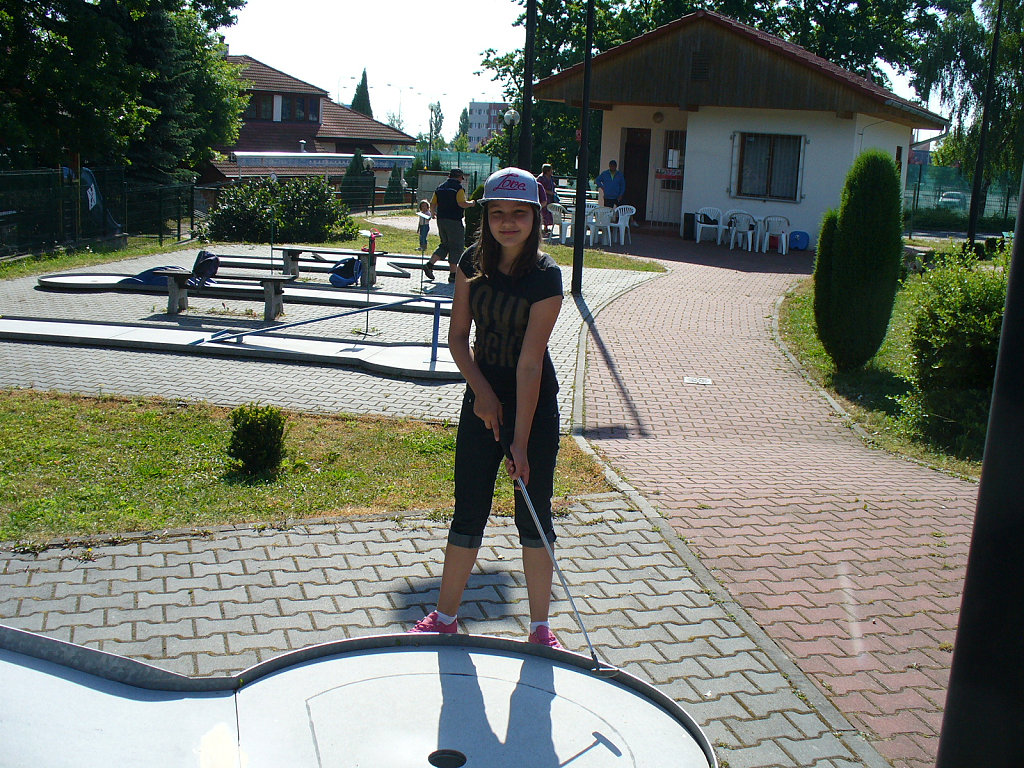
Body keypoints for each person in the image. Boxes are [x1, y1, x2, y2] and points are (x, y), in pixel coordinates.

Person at [410, 167, 565, 649]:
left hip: (532, 406)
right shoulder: (471, 261)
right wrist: (481, 394)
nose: (508, 222)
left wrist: (519, 440)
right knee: (469, 509)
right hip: (482, 398)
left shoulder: (546, 276)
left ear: (535, 217)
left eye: (519, 213)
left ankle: (540, 630)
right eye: (497, 213)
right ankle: (444, 617)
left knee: (533, 515)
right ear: (485, 217)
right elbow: (458, 338)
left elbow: (530, 364)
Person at [426, 168, 477, 283]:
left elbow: (433, 203)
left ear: (449, 176)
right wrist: (471, 203)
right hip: (454, 220)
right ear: (459, 177)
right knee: (456, 246)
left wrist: (433, 213)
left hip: (441, 219)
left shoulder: (440, 187)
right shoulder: (458, 188)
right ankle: (453, 274)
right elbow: (461, 203)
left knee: (445, 245)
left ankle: (429, 265)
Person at [536, 163, 557, 238]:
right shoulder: (541, 178)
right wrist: (548, 192)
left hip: (550, 198)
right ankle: (541, 228)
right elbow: (539, 188)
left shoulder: (551, 178)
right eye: (551, 170)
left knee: (549, 212)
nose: (552, 171)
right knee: (543, 212)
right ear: (547, 170)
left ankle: (546, 227)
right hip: (543, 197)